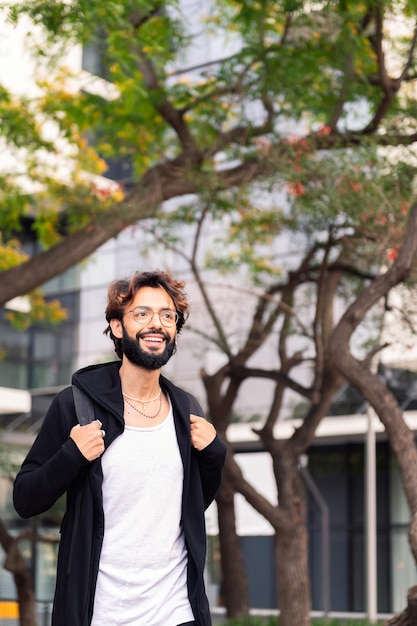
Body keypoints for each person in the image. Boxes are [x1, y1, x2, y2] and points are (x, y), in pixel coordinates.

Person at [13, 270, 227, 626]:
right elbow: (25, 499)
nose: (156, 324)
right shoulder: (76, 406)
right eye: (141, 313)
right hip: (100, 613)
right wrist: (71, 455)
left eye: (167, 315)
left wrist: (214, 455)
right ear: (116, 326)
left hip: (175, 612)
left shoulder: (187, 411)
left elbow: (188, 508)